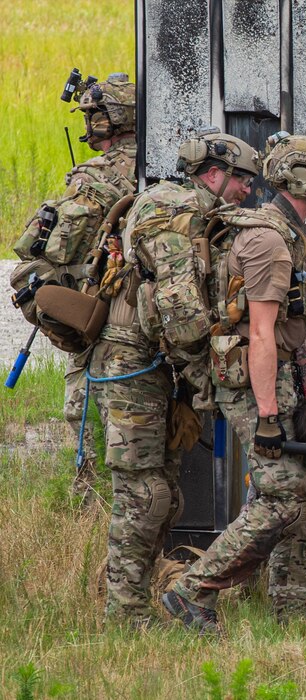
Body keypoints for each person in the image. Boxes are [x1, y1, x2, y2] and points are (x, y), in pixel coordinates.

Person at [163, 133, 306, 634]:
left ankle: (289, 613)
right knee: (284, 497)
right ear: (303, 179)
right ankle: (192, 588)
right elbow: (261, 332)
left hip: (280, 378)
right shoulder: (268, 239)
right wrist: (268, 416)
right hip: (254, 386)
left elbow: (292, 321)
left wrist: (305, 361)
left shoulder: (293, 235)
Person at [88, 129, 259, 627]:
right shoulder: (175, 214)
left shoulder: (198, 214)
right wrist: (216, 379)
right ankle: (124, 615)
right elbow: (182, 315)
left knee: (166, 493)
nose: (248, 191)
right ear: (214, 174)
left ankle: (131, 594)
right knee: (144, 495)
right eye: (242, 180)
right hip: (130, 365)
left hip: (156, 368)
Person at [9, 72, 138, 505]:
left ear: (107, 121)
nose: (87, 126)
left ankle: (94, 503)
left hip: (98, 315)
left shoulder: (95, 176)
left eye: (92, 117)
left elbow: (52, 252)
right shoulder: (161, 165)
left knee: (85, 413)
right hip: (149, 316)